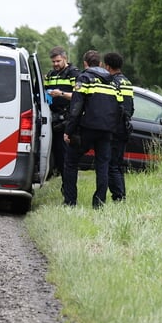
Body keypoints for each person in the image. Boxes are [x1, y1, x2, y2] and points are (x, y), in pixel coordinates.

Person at [62, 50, 121, 208]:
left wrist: (68, 131)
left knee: (71, 161)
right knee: (103, 165)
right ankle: (99, 203)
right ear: (101, 64)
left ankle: (70, 202)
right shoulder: (113, 81)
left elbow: (76, 107)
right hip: (107, 130)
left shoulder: (84, 78)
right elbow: (119, 107)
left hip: (87, 128)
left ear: (85, 64)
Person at [103, 52, 134, 202]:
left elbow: (111, 107)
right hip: (125, 127)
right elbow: (130, 108)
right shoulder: (127, 82)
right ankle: (121, 195)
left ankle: (119, 197)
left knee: (112, 165)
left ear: (107, 66)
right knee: (118, 164)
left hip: (115, 128)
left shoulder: (113, 83)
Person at [44, 46, 79, 175]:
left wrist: (61, 94)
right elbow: (45, 92)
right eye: (53, 62)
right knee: (56, 152)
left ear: (65, 58)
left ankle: (67, 182)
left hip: (67, 118)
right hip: (52, 117)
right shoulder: (50, 74)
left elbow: (78, 96)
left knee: (65, 154)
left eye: (58, 61)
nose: (55, 64)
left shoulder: (73, 73)